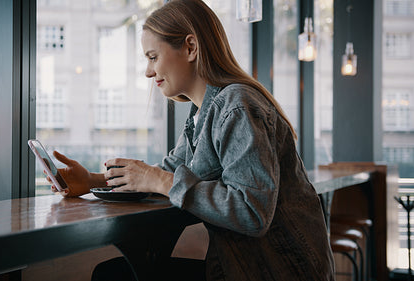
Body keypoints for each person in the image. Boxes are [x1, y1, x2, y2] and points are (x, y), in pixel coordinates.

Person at [49, 0, 335, 280]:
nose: (148, 72)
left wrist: (158, 180)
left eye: (153, 57)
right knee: (114, 273)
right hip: (244, 268)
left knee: (114, 276)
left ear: (190, 47)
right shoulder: (204, 113)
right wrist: (92, 180)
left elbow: (251, 212)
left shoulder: (237, 105)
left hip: (278, 271)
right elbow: (170, 168)